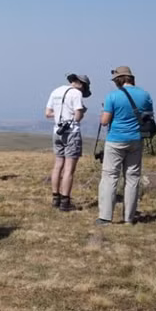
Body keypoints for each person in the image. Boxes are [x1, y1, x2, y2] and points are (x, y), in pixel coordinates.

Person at [97, 65, 154, 225]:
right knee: (132, 178)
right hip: (136, 139)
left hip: (115, 139)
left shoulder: (112, 96)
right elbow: (148, 118)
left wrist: (103, 112)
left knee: (110, 176)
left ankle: (105, 217)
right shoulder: (145, 95)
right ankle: (129, 218)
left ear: (118, 79)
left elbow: (104, 121)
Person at [44, 73, 91, 211]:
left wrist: (60, 114)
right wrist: (79, 114)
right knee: (69, 169)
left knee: (58, 165)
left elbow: (48, 113)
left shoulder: (56, 91)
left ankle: (55, 198)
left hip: (57, 132)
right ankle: (65, 202)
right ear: (82, 84)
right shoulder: (76, 94)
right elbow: (77, 116)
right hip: (71, 132)